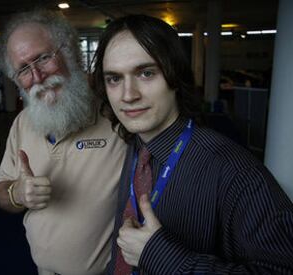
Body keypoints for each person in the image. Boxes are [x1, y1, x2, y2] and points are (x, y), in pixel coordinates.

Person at [92, 14, 293, 274]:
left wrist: (160, 255)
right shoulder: (135, 145)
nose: (128, 95)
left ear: (175, 76)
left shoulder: (236, 170)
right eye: (114, 79)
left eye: (146, 73)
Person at [0, 10, 126, 275]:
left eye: (43, 58)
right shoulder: (22, 122)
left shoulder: (118, 115)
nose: (37, 76)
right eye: (23, 69)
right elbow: (1, 190)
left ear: (71, 53)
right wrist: (17, 194)